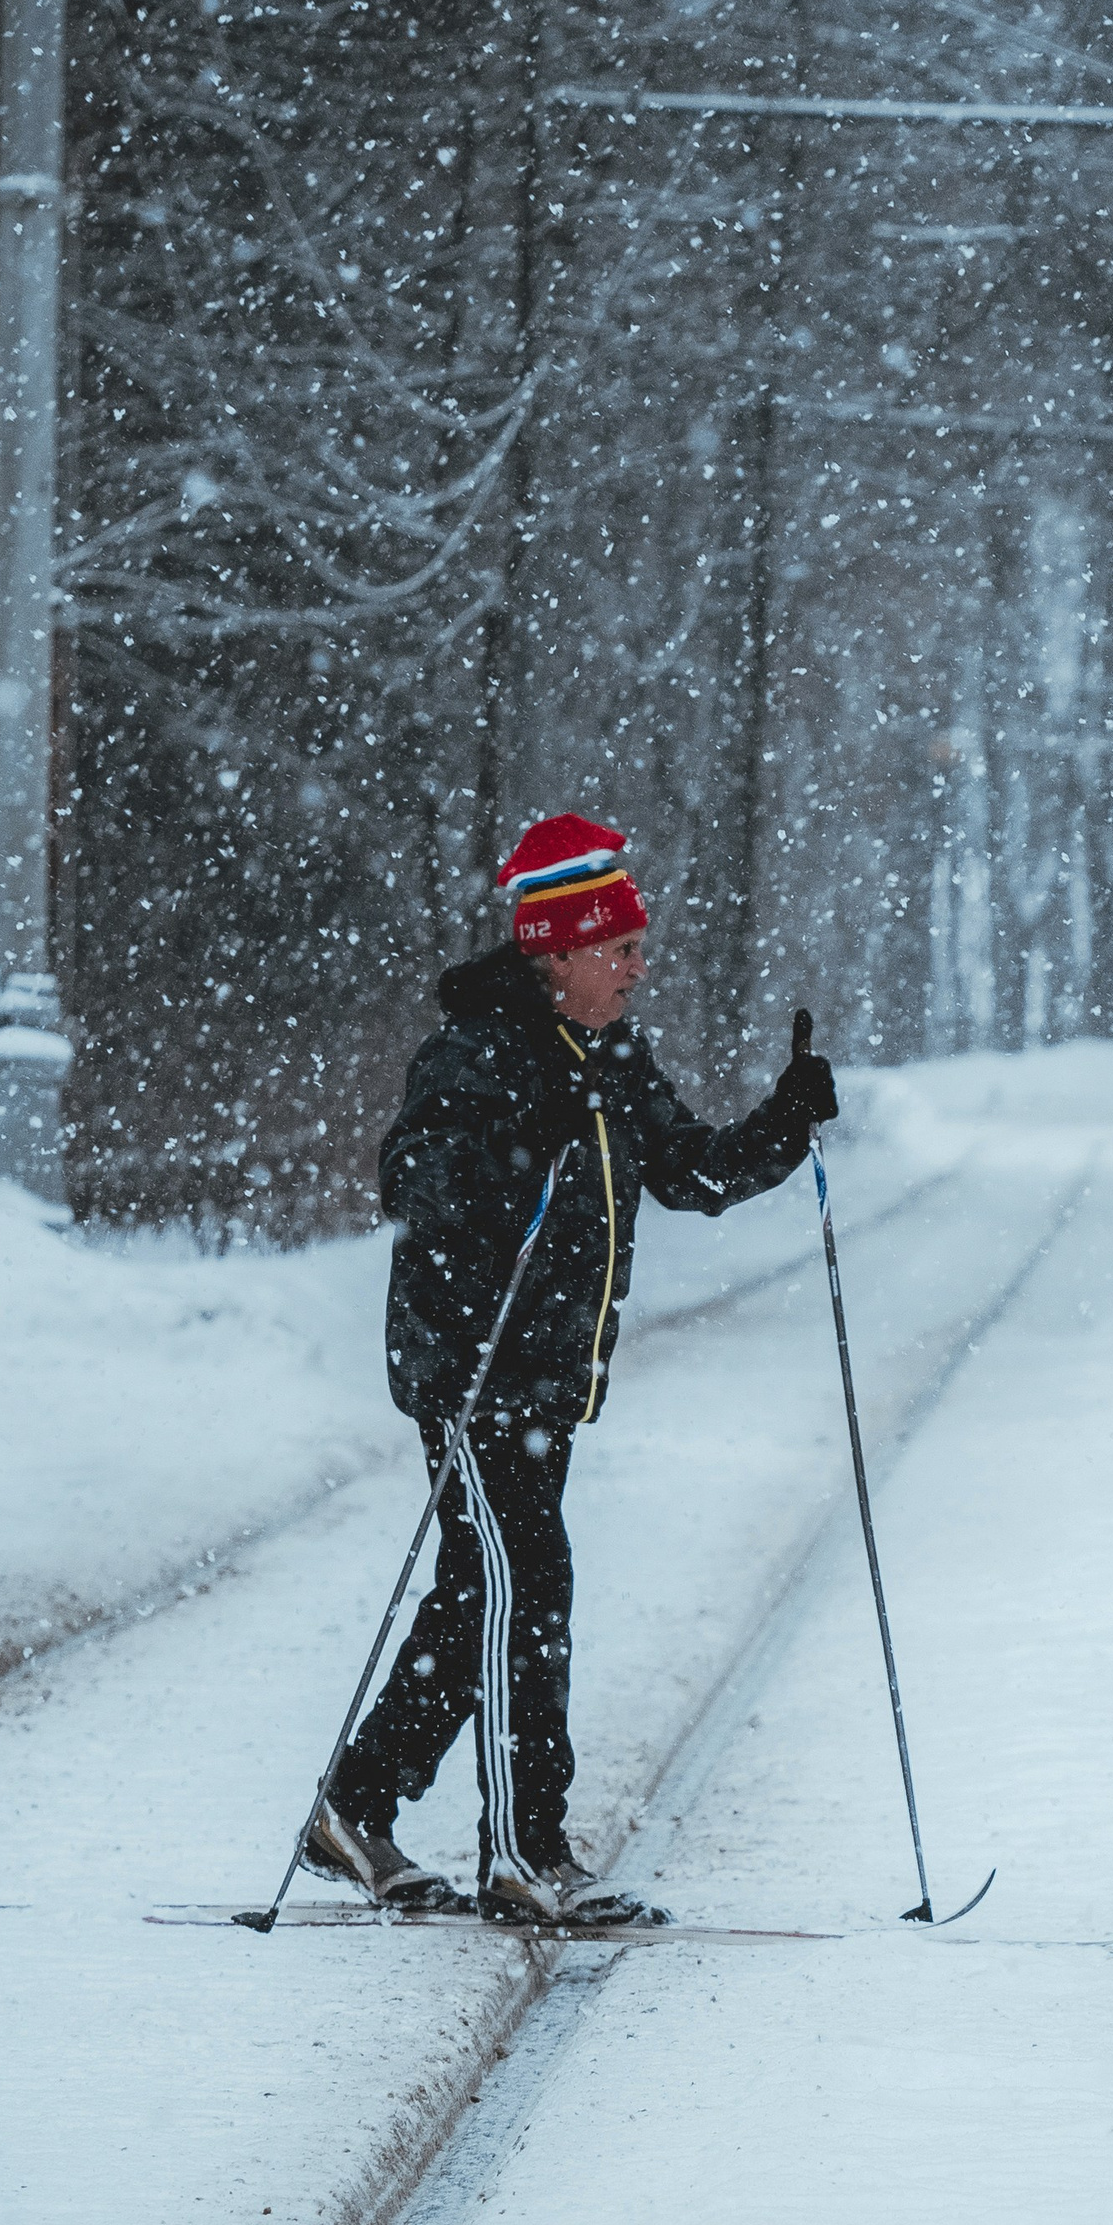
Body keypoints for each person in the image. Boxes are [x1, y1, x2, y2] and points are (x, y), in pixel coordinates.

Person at [305, 813, 841, 1926]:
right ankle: (525, 1852)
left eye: (638, 947)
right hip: (472, 1372)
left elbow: (694, 1171)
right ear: (555, 955)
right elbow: (410, 1181)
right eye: (621, 949)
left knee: (479, 1596)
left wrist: (787, 1120)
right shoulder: (474, 1051)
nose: (639, 968)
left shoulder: (614, 1058)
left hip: (548, 1384)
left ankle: (353, 1808)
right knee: (526, 1590)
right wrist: (510, 1149)